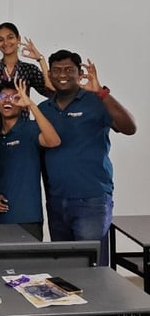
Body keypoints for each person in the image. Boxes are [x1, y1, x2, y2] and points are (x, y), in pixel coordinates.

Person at [37, 50, 136, 265]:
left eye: (69, 70)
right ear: (50, 75)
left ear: (79, 73)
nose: (63, 75)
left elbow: (129, 128)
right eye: (57, 70)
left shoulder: (97, 102)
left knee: (93, 267)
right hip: (57, 201)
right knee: (65, 268)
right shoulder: (44, 109)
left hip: (92, 200)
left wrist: (102, 93)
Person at [0, 79, 60, 241]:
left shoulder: (30, 128)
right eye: (3, 96)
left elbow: (54, 141)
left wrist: (31, 105)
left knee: (30, 258)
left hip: (28, 217)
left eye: (14, 97)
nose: (7, 101)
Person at [0, 22, 53, 125]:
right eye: (0, 40)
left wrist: (40, 59)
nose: (6, 43)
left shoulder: (29, 69)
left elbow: (51, 92)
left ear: (18, 38)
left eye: (10, 37)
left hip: (22, 129)